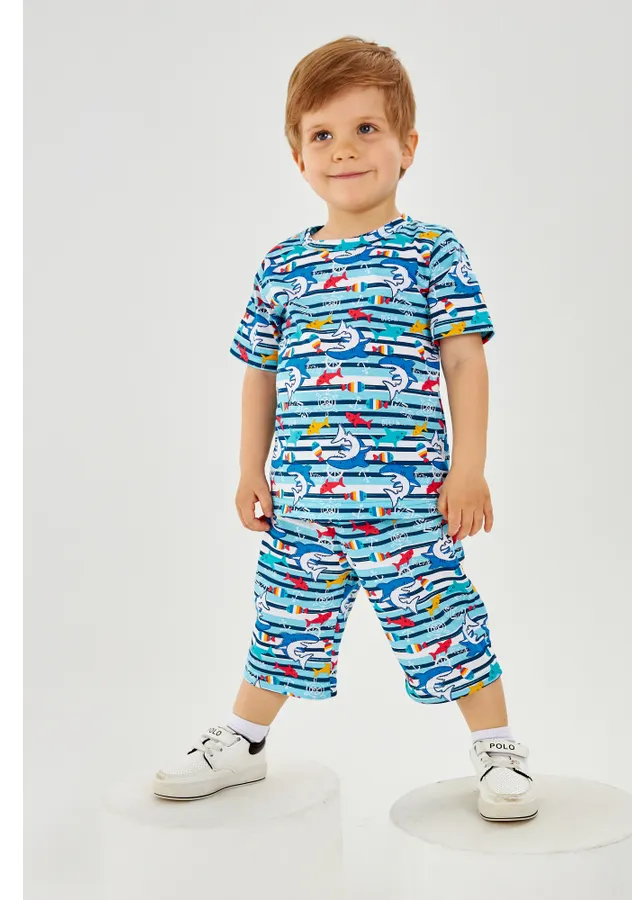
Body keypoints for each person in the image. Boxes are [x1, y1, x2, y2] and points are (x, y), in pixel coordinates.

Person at [153, 35, 538, 822]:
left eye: (367, 129)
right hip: (302, 503)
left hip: (411, 503)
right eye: (322, 134)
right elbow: (259, 372)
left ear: (408, 146)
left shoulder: (431, 252)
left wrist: (470, 468)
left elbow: (465, 362)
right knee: (281, 624)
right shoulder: (281, 267)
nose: (345, 150)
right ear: (299, 157)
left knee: (448, 624)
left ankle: (498, 747)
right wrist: (249, 468)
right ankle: (244, 740)